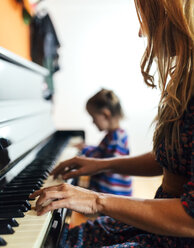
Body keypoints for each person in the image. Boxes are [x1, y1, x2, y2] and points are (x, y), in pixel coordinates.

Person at [30, 0, 194, 247]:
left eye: (148, 18)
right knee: (65, 239)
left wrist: (96, 200)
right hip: (160, 223)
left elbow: (190, 219)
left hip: (178, 235)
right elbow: (172, 158)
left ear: (180, 14)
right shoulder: (184, 81)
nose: (141, 31)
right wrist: (98, 165)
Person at [77, 88, 132, 196]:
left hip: (113, 196)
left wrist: (85, 152)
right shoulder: (115, 135)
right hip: (108, 193)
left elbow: (105, 164)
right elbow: (102, 152)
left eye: (93, 117)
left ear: (106, 115)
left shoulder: (116, 139)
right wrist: (87, 147)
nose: (92, 122)